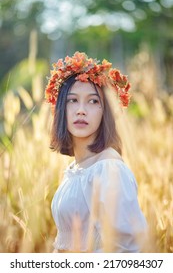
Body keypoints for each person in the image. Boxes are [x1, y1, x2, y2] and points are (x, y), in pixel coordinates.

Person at [45, 51, 148, 253]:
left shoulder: (108, 168)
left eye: (93, 101)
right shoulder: (76, 168)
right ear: (60, 110)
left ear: (105, 111)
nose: (81, 110)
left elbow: (125, 250)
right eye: (72, 100)